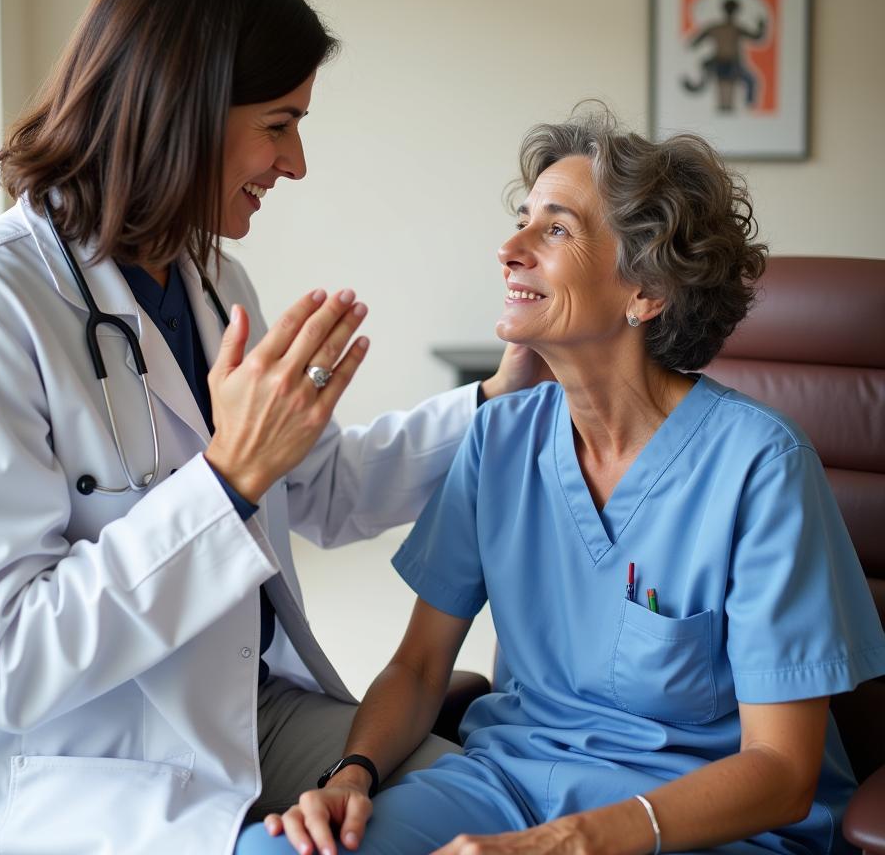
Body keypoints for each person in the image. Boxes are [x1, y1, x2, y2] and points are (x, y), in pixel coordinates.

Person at [0, 0, 540, 855]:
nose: (295, 162)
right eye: (278, 123)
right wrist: (225, 482)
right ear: (181, 113)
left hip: (227, 705)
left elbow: (323, 488)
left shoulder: (210, 282)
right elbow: (5, 663)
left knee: (485, 806)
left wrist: (501, 394)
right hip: (64, 768)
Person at [240, 109, 885, 855]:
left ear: (645, 292)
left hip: (696, 822)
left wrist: (578, 840)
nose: (509, 250)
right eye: (521, 221)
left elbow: (780, 770)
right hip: (509, 785)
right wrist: (350, 775)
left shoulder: (760, 466)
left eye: (555, 230)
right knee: (277, 851)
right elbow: (419, 669)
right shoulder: (499, 437)